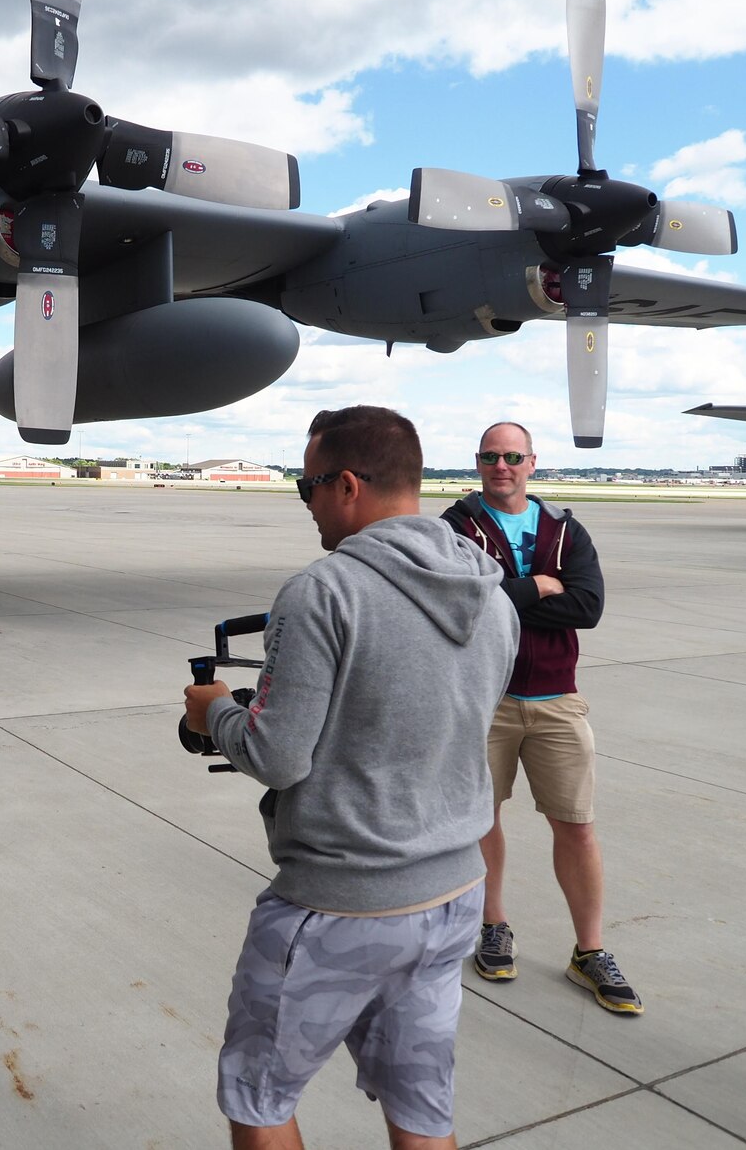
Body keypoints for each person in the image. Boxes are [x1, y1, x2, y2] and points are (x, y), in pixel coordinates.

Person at [184, 406, 517, 1150]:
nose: (308, 505)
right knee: (423, 1105)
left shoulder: (324, 590)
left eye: (307, 488)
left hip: (341, 905)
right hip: (453, 896)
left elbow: (277, 756)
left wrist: (216, 714)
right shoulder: (492, 594)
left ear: (345, 485)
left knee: (259, 1096)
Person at [442, 421, 642, 1015]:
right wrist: (537, 588)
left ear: (532, 462)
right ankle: (493, 925)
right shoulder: (455, 528)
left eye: (511, 456)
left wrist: (510, 594)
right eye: (489, 456)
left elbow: (590, 607)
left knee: (576, 825)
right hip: (485, 699)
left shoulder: (565, 528)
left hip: (557, 699)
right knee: (483, 817)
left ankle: (590, 951)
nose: (500, 465)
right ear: (477, 463)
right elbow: (462, 603)